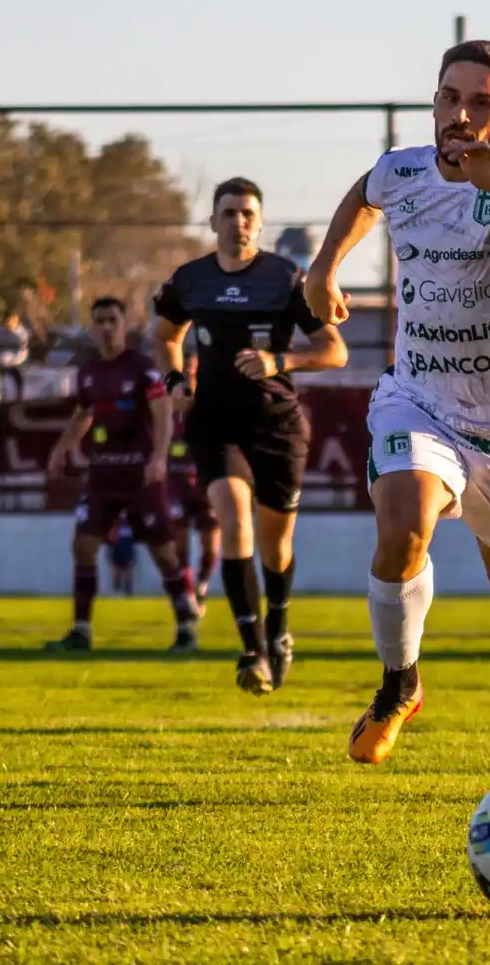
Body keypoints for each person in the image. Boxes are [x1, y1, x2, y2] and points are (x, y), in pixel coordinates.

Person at [306, 39, 490, 771]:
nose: (460, 114)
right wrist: (323, 267)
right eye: (448, 97)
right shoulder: (403, 170)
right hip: (419, 398)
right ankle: (400, 684)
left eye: (480, 102)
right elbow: (364, 193)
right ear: (434, 102)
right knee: (403, 525)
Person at [152, 178, 348, 694]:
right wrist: (174, 381)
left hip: (277, 424)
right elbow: (165, 336)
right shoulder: (190, 280)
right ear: (212, 221)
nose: (238, 222)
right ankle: (252, 650)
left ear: (259, 224)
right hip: (214, 422)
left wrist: (280, 361)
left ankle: (279, 624)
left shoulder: (285, 279)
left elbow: (335, 351)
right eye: (229, 213)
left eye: (247, 214)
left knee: (275, 547)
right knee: (234, 519)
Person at [44, 296, 199, 652]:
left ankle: (186, 626)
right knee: (83, 546)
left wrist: (158, 457)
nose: (106, 327)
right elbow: (82, 415)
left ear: (123, 325)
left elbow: (162, 412)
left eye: (112, 320)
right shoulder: (89, 372)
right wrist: (61, 448)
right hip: (103, 474)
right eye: (100, 321)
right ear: (93, 327)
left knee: (163, 552)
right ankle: (81, 630)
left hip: (140, 475)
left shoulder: (141, 368)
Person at [166, 353, 221, 629]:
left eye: (193, 370)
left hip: (206, 484)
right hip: (176, 485)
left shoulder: (211, 405)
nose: (189, 375)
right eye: (185, 370)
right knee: (180, 546)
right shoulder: (167, 406)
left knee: (211, 547)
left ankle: (202, 584)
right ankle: (188, 595)